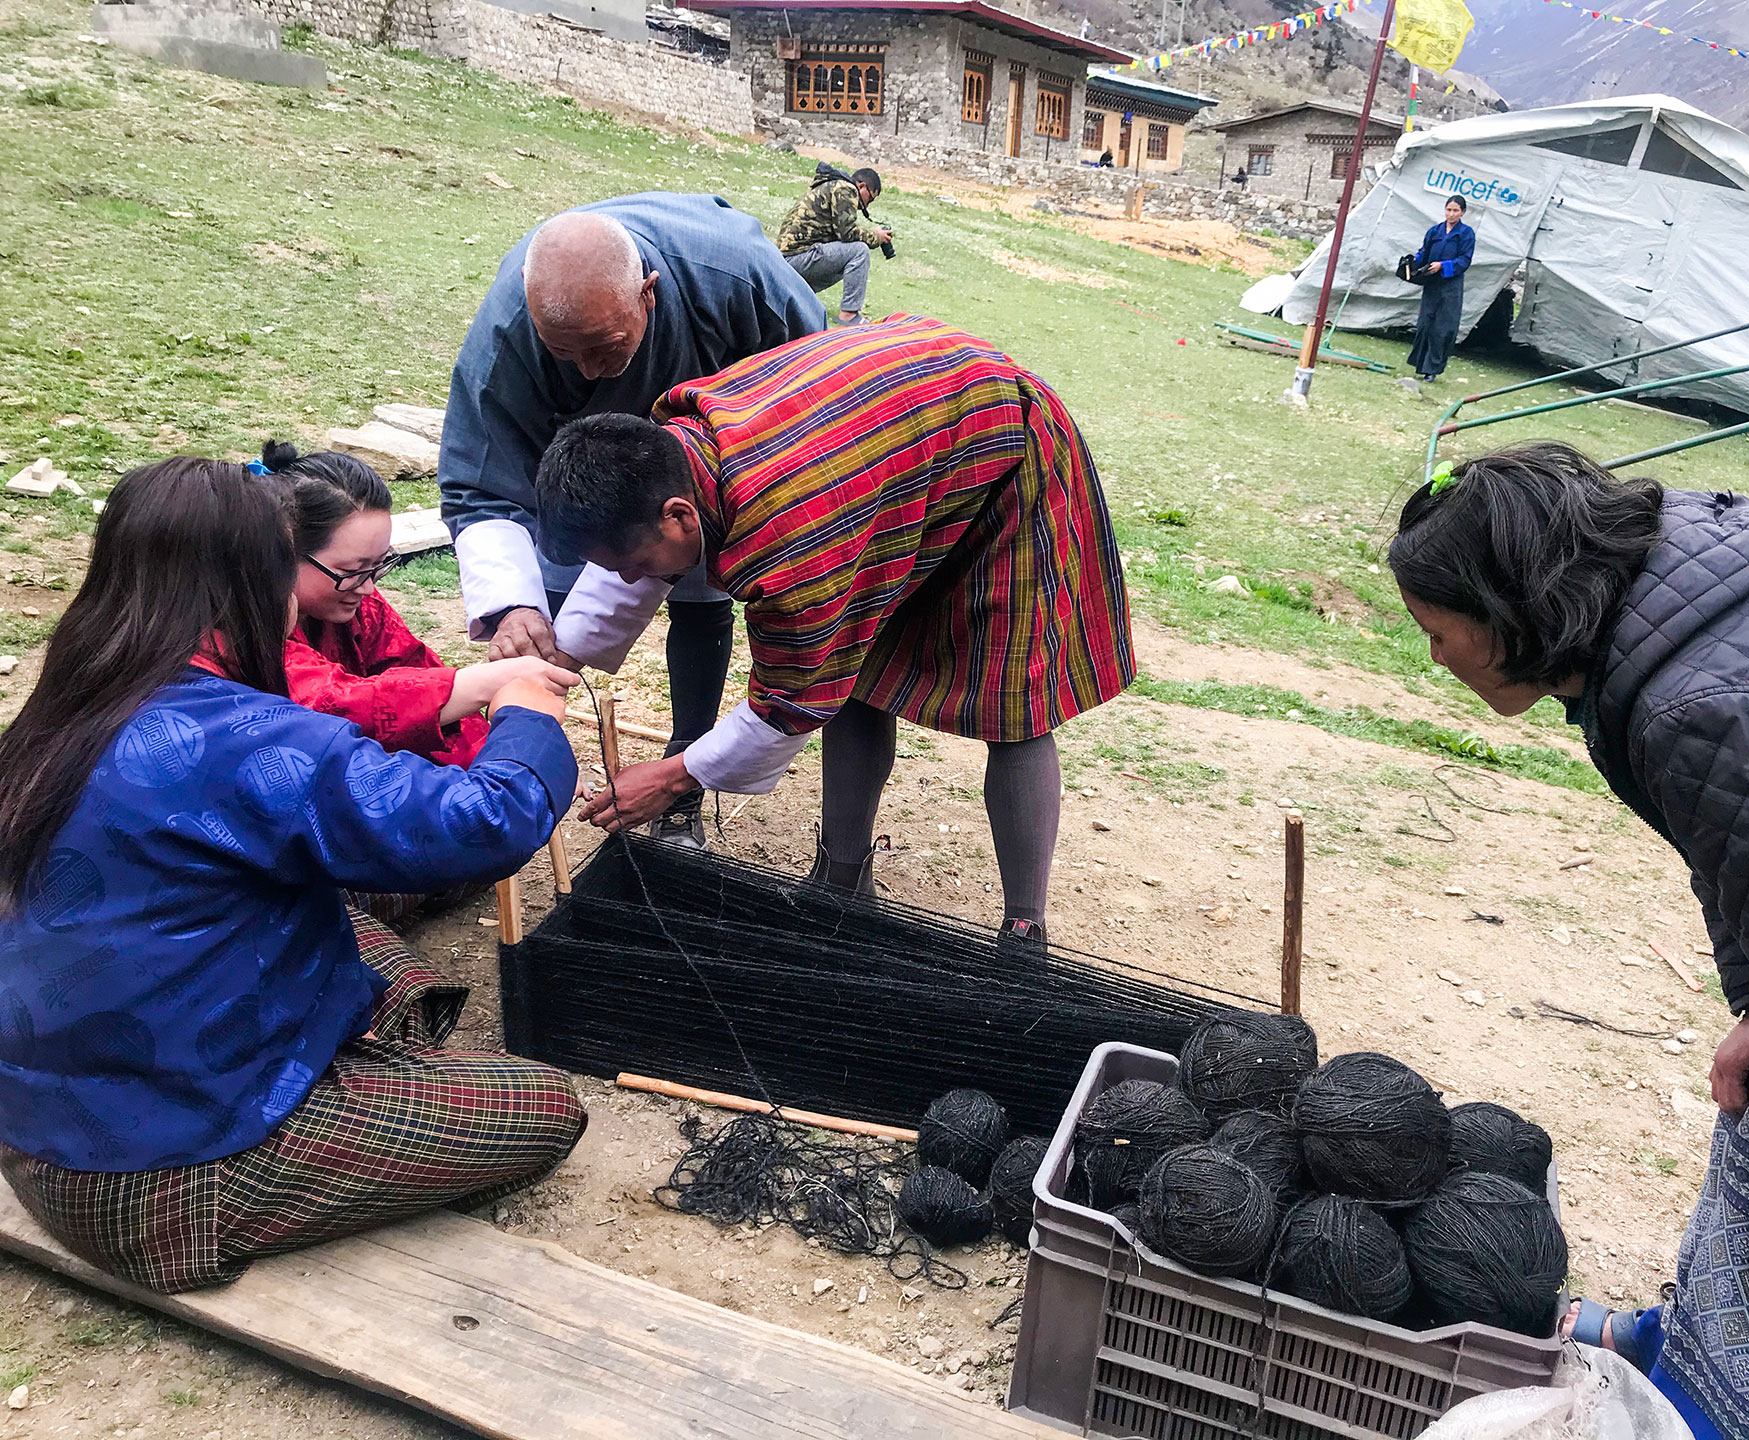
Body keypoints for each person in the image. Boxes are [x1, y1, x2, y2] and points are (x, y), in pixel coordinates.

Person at [1391, 441, 1749, 1439]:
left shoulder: (1709, 699)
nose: (1435, 658)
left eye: (1435, 631)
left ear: (1505, 610)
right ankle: (1704, 1355)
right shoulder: (1665, 638)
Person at [0, 457, 585, 1294]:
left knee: (349, 917)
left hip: (37, 1115)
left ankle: (355, 1055)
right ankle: (303, 1125)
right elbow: (479, 827)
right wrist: (527, 715)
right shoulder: (244, 737)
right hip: (158, 1171)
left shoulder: (77, 689)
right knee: (541, 1110)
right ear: (254, 580)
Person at [532, 315, 1136, 945]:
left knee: (1014, 706)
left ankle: (1024, 929)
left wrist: (672, 777)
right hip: (900, 447)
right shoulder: (670, 450)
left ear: (680, 516)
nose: (630, 582)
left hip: (1005, 454)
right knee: (860, 673)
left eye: (630, 566)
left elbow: (790, 702)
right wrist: (554, 665)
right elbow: (637, 559)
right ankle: (842, 877)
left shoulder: (786, 542)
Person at [441, 194, 823, 847]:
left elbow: (817, 392)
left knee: (701, 583)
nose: (589, 371)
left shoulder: (742, 282)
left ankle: (684, 784)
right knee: (543, 607)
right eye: (567, 354)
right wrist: (514, 608)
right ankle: (508, 777)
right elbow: (482, 479)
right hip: (589, 466)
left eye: (604, 347)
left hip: (723, 446)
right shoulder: (515, 327)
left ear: (648, 293)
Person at [260, 439, 578, 926]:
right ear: (281, 555)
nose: (368, 586)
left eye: (377, 566)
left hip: (336, 794)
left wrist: (515, 758)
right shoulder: (245, 627)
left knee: (464, 848)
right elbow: (330, 706)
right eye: (350, 572)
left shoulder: (357, 605)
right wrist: (484, 682)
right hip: (281, 811)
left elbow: (411, 670)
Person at [775, 163, 891, 327]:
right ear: (861, 186)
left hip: (786, 262)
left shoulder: (831, 185)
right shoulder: (846, 189)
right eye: (870, 198)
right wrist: (876, 236)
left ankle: (797, 296)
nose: (867, 204)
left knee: (846, 256)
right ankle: (849, 314)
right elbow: (848, 234)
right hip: (796, 260)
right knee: (859, 251)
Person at [1406, 195, 1474, 382]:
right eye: (1448, 210)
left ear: (1462, 212)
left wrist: (1443, 265)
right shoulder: (1434, 231)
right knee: (1424, 325)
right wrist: (1413, 261)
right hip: (1432, 284)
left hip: (1450, 287)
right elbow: (1424, 252)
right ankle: (1420, 365)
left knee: (1442, 328)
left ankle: (1432, 370)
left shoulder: (1466, 234)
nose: (1451, 214)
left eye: (1455, 211)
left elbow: (1465, 260)